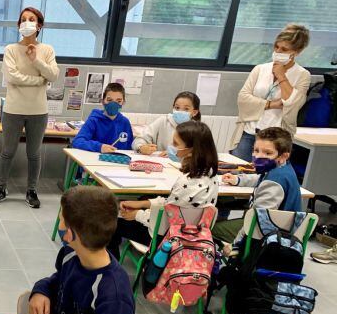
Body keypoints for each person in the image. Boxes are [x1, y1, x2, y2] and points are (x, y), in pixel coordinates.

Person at [0, 186, 136, 314]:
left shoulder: (114, 296)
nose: (59, 222)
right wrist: (41, 291)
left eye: (61, 218)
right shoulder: (71, 254)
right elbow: (57, 280)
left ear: (69, 234)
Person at [109, 121, 219, 259]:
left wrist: (137, 215)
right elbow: (175, 206)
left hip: (166, 239)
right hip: (193, 236)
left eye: (176, 144)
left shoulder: (188, 181)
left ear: (191, 150)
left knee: (109, 223)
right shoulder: (211, 176)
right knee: (140, 201)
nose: (171, 147)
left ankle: (111, 270)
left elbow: (165, 220)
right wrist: (144, 204)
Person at [0, 7, 59, 209]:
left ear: (39, 25)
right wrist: (38, 81)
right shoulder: (10, 49)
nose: (26, 22)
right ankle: (0, 188)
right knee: (7, 151)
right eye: (23, 19)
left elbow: (53, 76)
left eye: (31, 19)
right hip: (13, 109)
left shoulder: (47, 50)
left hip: (38, 111)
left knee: (33, 153)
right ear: (18, 25)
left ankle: (31, 190)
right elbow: (11, 77)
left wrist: (35, 59)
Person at [213, 127, 302, 255]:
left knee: (212, 228)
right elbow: (262, 178)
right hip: (284, 228)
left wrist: (236, 245)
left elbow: (257, 220)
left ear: (283, 156)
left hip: (270, 234)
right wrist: (238, 180)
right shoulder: (283, 169)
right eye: (256, 150)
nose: (259, 156)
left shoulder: (274, 182)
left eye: (267, 153)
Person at [230, 23, 311, 161]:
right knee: (236, 172)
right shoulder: (260, 69)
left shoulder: (303, 75)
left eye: (284, 49)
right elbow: (243, 98)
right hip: (249, 132)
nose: (278, 52)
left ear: (296, 52)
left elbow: (292, 104)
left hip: (276, 139)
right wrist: (271, 104)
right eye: (276, 47)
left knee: (265, 177)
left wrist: (281, 76)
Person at [132, 91, 201, 156]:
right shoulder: (163, 121)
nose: (180, 111)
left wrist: (177, 154)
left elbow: (201, 153)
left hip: (184, 166)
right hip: (161, 163)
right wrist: (141, 147)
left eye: (186, 109)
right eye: (177, 107)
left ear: (194, 112)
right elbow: (140, 139)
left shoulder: (197, 129)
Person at [71, 83, 134, 153]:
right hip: (94, 161)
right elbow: (77, 141)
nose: (113, 104)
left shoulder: (125, 122)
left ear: (123, 103)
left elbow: (130, 148)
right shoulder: (94, 120)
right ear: (103, 101)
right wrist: (99, 147)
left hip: (117, 161)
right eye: (109, 100)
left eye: (118, 101)